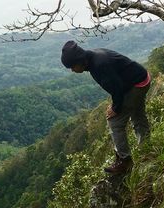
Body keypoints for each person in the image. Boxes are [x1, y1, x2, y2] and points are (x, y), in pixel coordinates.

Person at [61, 40, 151, 175]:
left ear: (80, 61)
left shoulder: (99, 65)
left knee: (114, 122)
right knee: (137, 115)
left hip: (136, 85)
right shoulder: (93, 57)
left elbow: (117, 89)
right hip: (141, 79)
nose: (72, 70)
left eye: (72, 66)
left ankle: (124, 161)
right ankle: (147, 148)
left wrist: (115, 108)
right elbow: (117, 85)